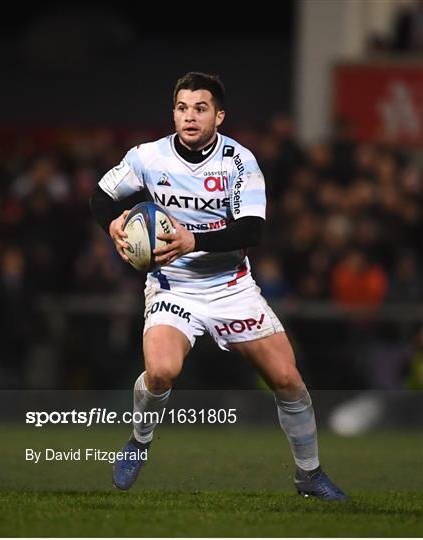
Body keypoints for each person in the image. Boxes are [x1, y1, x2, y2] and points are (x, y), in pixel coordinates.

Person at [89, 72, 347, 500]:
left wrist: (194, 240)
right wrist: (112, 222)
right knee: (161, 371)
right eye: (182, 108)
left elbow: (252, 230)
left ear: (219, 116)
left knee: (288, 379)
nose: (190, 116)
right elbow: (101, 197)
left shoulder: (239, 161)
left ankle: (309, 475)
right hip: (174, 286)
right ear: (173, 113)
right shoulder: (147, 157)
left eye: (200, 108)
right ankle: (139, 441)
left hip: (232, 287)